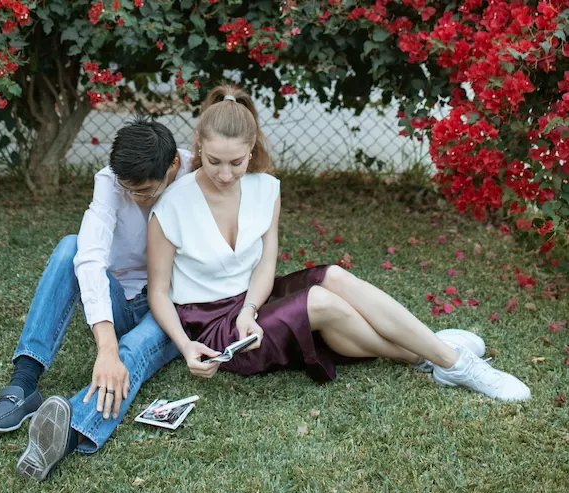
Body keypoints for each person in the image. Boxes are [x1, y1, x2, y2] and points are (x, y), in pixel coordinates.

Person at [146, 85, 531, 402]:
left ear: (251, 150)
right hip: (212, 325)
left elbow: (265, 266)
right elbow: (160, 292)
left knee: (333, 277)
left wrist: (249, 308)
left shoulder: (266, 189)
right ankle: (441, 358)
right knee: (319, 301)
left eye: (237, 162)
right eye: (214, 161)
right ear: (198, 144)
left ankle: (440, 357)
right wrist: (184, 346)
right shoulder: (173, 204)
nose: (226, 174)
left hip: (252, 302)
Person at [0, 117, 194, 481]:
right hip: (122, 299)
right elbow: (90, 256)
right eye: (128, 188)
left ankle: (66, 434)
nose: (133, 197)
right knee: (70, 247)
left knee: (134, 348)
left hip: (169, 307)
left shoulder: (193, 174)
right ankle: (24, 382)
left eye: (144, 191)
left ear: (172, 166)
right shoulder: (110, 181)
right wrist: (105, 346)